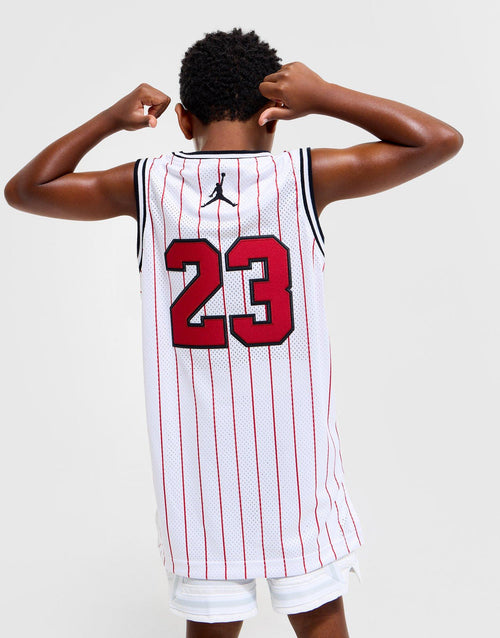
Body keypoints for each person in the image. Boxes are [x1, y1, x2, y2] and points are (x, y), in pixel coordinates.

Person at [4, 26, 463, 638]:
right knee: (321, 621)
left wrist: (110, 120)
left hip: (197, 475)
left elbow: (25, 190)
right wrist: (327, 96)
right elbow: (440, 140)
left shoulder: (148, 185)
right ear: (276, 115)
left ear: (183, 119)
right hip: (297, 465)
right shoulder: (304, 176)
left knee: (211, 628)